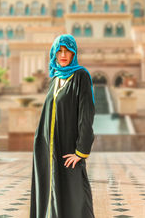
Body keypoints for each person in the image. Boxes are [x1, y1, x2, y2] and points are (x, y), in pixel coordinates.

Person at [30, 34, 95, 218]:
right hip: (48, 150)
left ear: (74, 53)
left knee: (77, 198)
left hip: (68, 150)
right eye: (59, 51)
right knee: (51, 195)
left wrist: (81, 151)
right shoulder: (54, 79)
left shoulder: (81, 76)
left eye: (68, 50)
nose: (63, 54)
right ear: (54, 54)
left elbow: (86, 115)